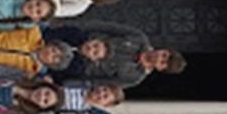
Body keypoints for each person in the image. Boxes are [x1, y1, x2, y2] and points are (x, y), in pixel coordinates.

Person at [58, 20, 186, 89]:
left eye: (162, 62)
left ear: (160, 69)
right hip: (82, 40)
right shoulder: (139, 37)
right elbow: (105, 27)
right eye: (164, 55)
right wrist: (72, 25)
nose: (158, 57)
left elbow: (99, 84)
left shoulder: (134, 78)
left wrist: (67, 82)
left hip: (77, 66)